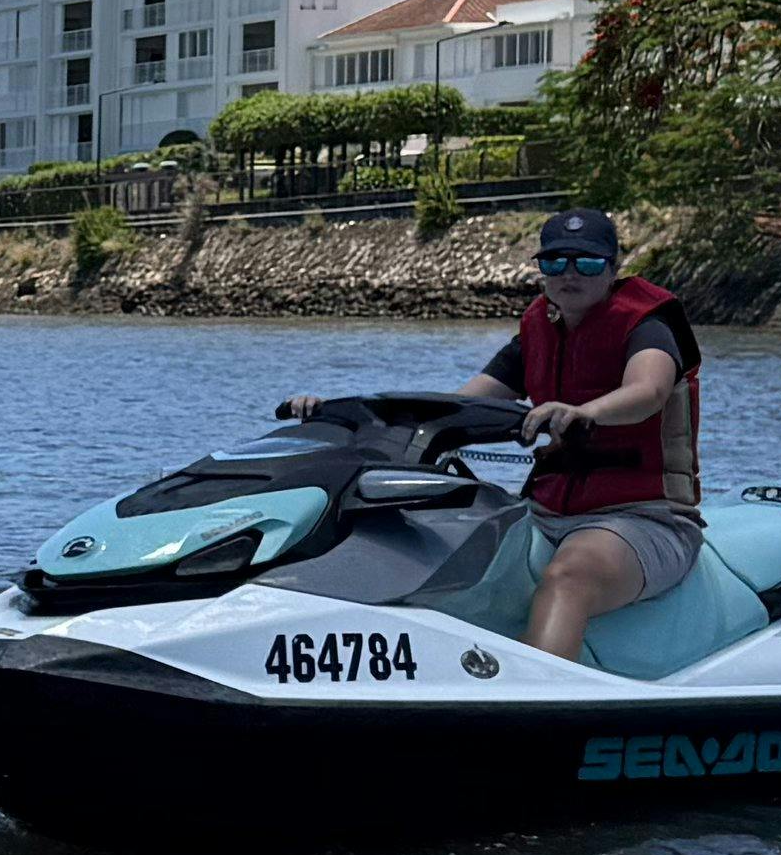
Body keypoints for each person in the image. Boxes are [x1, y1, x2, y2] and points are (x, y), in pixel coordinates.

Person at [287, 205, 701, 660]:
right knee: (430, 547)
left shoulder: (649, 325)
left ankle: (536, 711)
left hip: (645, 517)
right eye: (554, 262)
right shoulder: (539, 328)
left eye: (586, 262)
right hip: (544, 512)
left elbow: (649, 390)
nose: (569, 274)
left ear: (613, 268)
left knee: (571, 577)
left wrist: (584, 412)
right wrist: (337, 411)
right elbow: (459, 407)